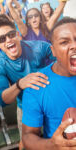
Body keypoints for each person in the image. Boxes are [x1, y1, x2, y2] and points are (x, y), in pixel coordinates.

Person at [0, 14, 55, 150]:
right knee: (27, 144)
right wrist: (20, 84)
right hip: (25, 108)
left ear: (18, 34)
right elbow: (1, 99)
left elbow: (62, 58)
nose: (8, 40)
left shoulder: (40, 47)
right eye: (2, 39)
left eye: (11, 34)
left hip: (50, 103)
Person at [22, 17, 76, 149]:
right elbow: (28, 136)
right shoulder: (37, 85)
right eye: (64, 42)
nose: (74, 45)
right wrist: (53, 145)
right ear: (53, 51)